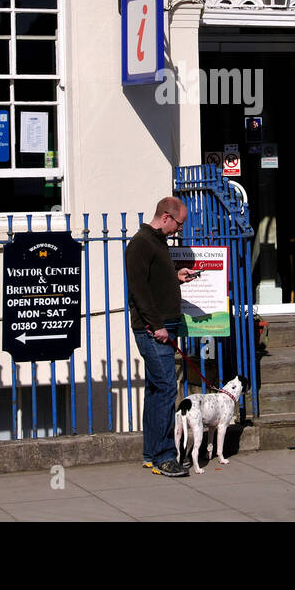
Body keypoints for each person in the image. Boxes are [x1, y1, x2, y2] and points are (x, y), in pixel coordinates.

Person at [126, 196, 198, 477]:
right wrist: (156, 325)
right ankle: (165, 456)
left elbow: (153, 280)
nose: (179, 230)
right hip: (152, 328)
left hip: (163, 324)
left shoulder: (156, 242)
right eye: (179, 224)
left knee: (156, 389)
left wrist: (175, 276)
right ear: (166, 216)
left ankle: (150, 454)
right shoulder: (141, 243)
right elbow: (139, 290)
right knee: (168, 387)